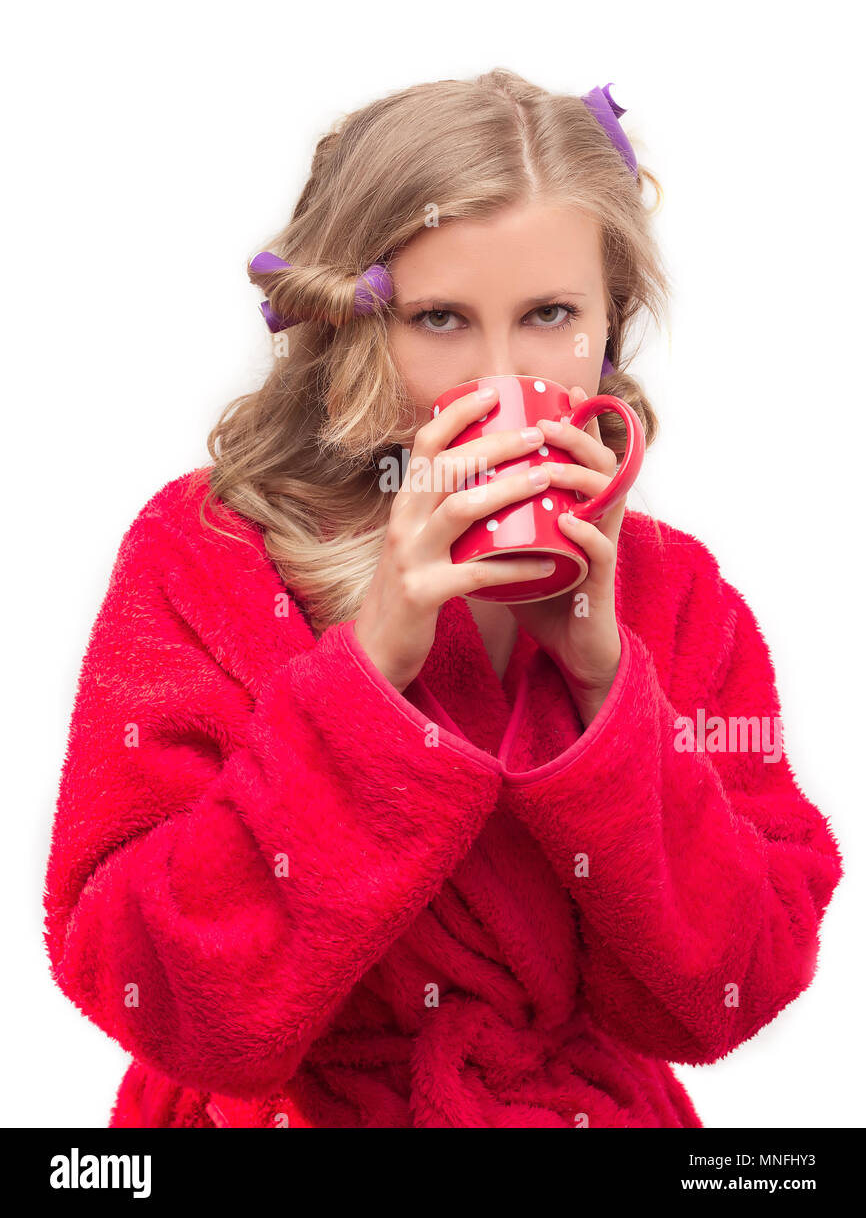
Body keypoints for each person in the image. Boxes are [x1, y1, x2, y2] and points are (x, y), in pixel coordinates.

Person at [42, 68, 843, 1128]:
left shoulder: (673, 593)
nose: (496, 378)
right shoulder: (202, 556)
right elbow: (150, 986)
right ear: (350, 330)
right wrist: (370, 668)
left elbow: (729, 991)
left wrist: (608, 691)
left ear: (610, 323)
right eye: (439, 319)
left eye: (550, 313)